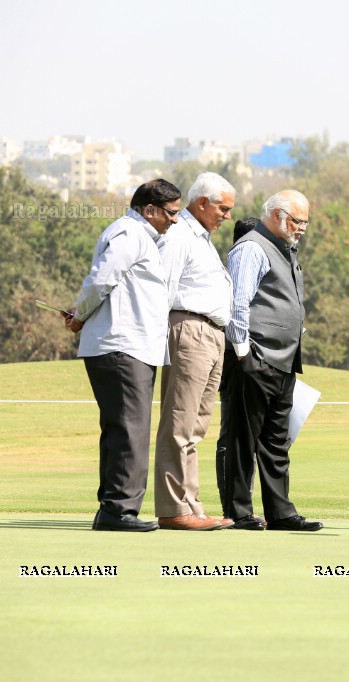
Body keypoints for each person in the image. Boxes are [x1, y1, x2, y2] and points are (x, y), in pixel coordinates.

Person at [64, 179, 181, 532]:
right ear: (150, 209)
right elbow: (102, 279)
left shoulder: (139, 235)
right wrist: (81, 314)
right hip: (122, 345)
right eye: (172, 213)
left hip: (129, 345)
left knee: (123, 429)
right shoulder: (130, 234)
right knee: (130, 429)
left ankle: (114, 507)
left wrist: (81, 311)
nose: (176, 220)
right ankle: (118, 510)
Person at [220, 191, 323, 532]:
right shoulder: (251, 247)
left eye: (305, 222)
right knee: (241, 440)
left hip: (283, 361)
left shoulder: (285, 249)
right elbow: (237, 305)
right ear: (277, 215)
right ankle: (239, 512)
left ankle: (280, 512)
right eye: (298, 221)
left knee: (276, 441)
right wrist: (243, 355)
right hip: (254, 359)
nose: (302, 228)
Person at [153, 172, 235, 531]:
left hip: (212, 334)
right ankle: (173, 509)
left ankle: (191, 505)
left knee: (196, 426)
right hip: (188, 331)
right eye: (224, 208)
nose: (227, 216)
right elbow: (163, 289)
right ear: (203, 202)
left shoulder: (200, 236)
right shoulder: (180, 236)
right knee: (180, 423)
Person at [215, 216, 261, 516]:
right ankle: (234, 506)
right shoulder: (243, 259)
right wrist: (244, 350)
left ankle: (244, 504)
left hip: (259, 357)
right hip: (239, 355)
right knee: (233, 434)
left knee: (254, 435)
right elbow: (238, 306)